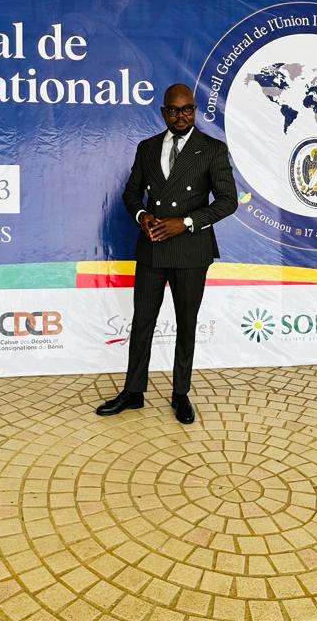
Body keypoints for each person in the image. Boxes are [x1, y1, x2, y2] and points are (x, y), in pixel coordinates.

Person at [95, 83, 237, 424]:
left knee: (186, 325)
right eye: (173, 110)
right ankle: (133, 392)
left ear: (194, 110)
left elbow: (228, 201)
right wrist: (142, 216)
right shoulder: (147, 148)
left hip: (191, 250)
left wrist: (185, 222)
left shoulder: (212, 149)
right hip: (152, 247)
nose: (180, 116)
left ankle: (180, 394)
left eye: (186, 109)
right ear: (164, 112)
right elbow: (131, 194)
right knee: (142, 322)